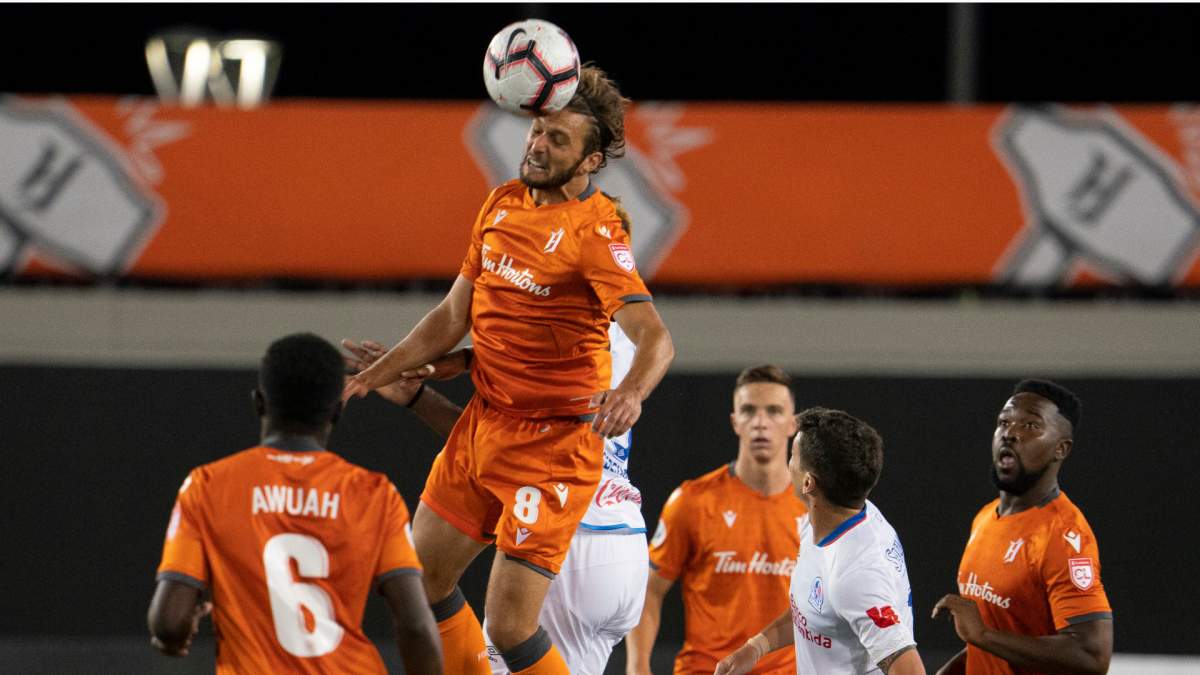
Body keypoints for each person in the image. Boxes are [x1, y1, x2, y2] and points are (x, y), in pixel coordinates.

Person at [343, 64, 675, 675]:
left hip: (551, 448)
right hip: (484, 423)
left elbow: (656, 338)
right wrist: (377, 373)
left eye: (558, 139)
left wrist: (630, 393)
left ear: (591, 160)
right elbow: (453, 314)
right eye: (538, 130)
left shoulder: (596, 233)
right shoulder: (500, 202)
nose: (537, 145)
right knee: (420, 578)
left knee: (509, 627)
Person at [345, 322, 648, 674]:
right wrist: (418, 395)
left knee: (501, 627)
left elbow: (500, 447)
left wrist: (437, 370)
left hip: (571, 538)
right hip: (625, 545)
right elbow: (503, 445)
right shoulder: (619, 339)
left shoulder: (546, 329)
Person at [147, 333, 442, 674]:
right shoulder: (374, 493)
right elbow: (415, 626)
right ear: (336, 411)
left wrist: (174, 634)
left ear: (259, 403)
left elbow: (169, 621)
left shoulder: (207, 485)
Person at [715, 407, 925, 675]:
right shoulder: (834, 516)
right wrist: (756, 648)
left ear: (808, 483)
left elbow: (910, 669)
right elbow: (815, 612)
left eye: (793, 455)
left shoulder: (855, 575)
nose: (787, 462)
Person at [626, 365, 807, 675]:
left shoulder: (815, 508)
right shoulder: (693, 501)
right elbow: (649, 589)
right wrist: (637, 666)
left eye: (774, 411)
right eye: (749, 411)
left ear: (793, 424)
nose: (760, 422)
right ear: (735, 422)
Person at [932, 380, 1112, 675]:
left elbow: (1091, 656)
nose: (1010, 433)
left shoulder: (1063, 536)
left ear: (1061, 449)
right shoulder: (986, 517)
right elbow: (1001, 634)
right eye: (1004, 422)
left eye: (1030, 426)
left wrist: (983, 635)